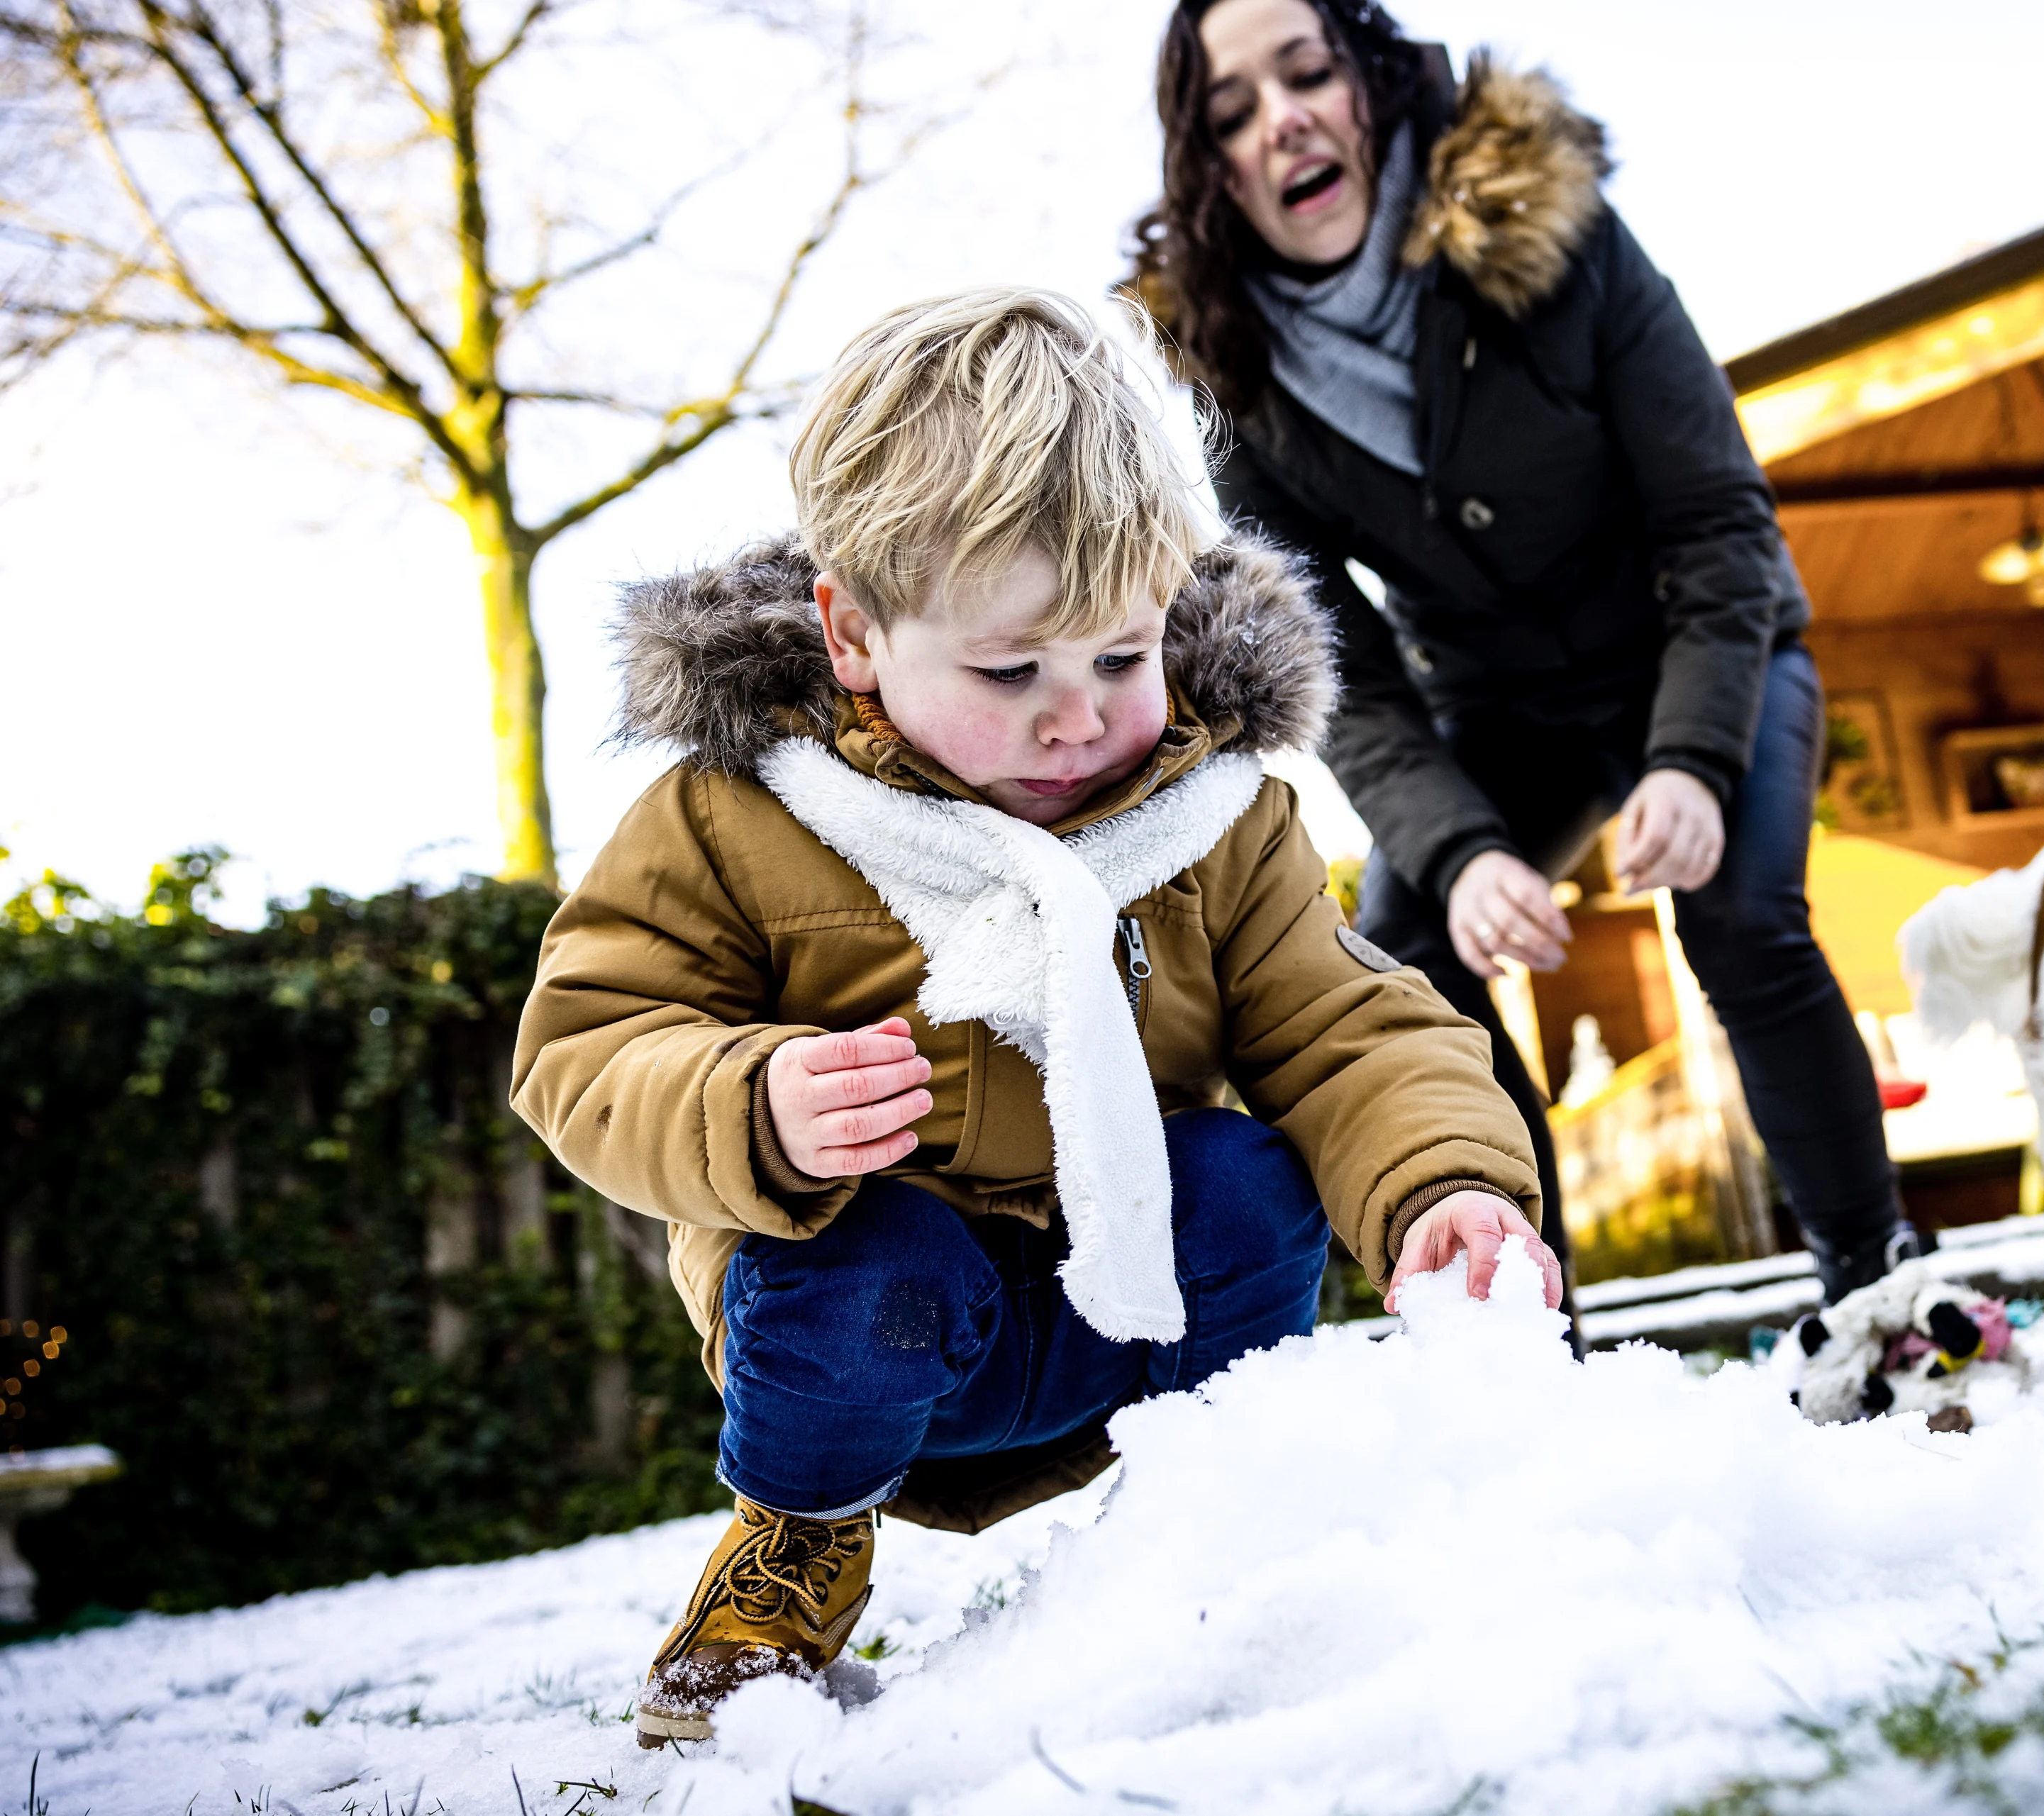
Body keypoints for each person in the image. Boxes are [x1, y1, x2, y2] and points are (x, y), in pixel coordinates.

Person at [511, 289, 1554, 1747]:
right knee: (867, 1246)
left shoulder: (1210, 815)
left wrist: (1444, 1181)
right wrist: (752, 1103)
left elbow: (1350, 1025)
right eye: (1011, 673)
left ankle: (1222, 1513)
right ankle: (792, 1554)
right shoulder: (742, 811)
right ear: (856, 633)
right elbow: (587, 1040)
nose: (1076, 718)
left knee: (1252, 1180)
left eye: (1122, 660)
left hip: (1131, 1309)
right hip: (877, 1329)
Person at [1133, 0, 1916, 1301]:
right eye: (1232, 112)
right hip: (1502, 708)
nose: (1283, 121)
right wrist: (1463, 845)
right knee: (1407, 946)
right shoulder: (1237, 376)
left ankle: (1877, 1278)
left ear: (1371, 87)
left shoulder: (1552, 231)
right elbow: (1330, 658)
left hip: (1707, 644)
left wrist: (1694, 756)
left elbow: (1720, 518)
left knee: (1741, 916)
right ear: (1211, 169)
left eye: (1307, 72)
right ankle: (1526, 1333)